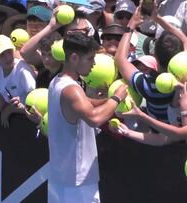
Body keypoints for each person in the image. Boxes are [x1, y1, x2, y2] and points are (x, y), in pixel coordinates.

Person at [47, 32, 128, 203]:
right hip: (77, 181)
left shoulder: (57, 82)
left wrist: (104, 100)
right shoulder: (72, 90)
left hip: (62, 175)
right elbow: (94, 119)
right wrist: (116, 98)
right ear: (75, 58)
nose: (94, 64)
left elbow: (84, 103)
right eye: (90, 58)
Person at [115, 2, 187, 122]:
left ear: (154, 55)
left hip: (158, 131)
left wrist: (131, 26)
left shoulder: (148, 85)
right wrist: (158, 18)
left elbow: (120, 59)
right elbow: (185, 41)